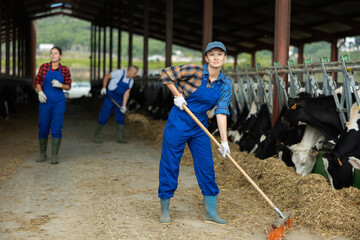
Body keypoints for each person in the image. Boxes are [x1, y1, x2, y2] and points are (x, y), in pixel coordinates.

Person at [158, 41, 232, 225]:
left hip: (200, 125)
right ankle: (165, 210)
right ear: (206, 57)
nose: (216, 58)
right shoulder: (195, 70)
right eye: (212, 54)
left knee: (206, 165)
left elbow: (221, 111)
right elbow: (165, 74)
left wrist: (224, 142)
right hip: (179, 120)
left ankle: (210, 212)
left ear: (225, 58)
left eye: (219, 54)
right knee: (170, 162)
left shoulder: (225, 84)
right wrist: (177, 95)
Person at [35, 46, 72, 164]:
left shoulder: (65, 70)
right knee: (43, 126)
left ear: (60, 56)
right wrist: (40, 92)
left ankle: (55, 155)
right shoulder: (44, 67)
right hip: (45, 101)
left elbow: (69, 86)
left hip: (58, 102)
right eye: (51, 53)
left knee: (56, 127)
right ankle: (42, 154)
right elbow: (38, 82)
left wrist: (60, 85)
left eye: (55, 53)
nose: (53, 55)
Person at [93, 65, 139, 143]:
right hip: (110, 96)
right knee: (104, 115)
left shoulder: (131, 81)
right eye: (134, 73)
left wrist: (124, 106)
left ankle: (120, 138)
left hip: (120, 99)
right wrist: (104, 87)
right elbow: (107, 76)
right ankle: (96, 136)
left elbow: (127, 93)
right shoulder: (119, 73)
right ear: (130, 71)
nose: (135, 75)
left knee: (120, 117)